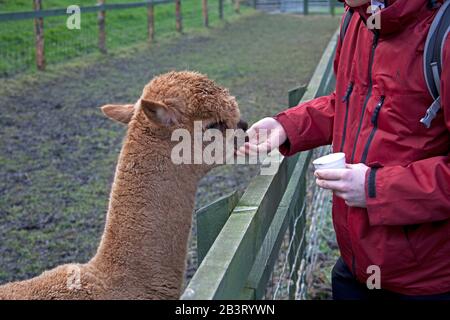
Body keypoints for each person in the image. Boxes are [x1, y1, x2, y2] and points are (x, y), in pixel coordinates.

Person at [238, 0, 450, 300]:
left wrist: (375, 189)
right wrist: (288, 126)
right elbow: (351, 103)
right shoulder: (357, 17)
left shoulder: (442, 32)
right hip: (356, 264)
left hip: (428, 280)